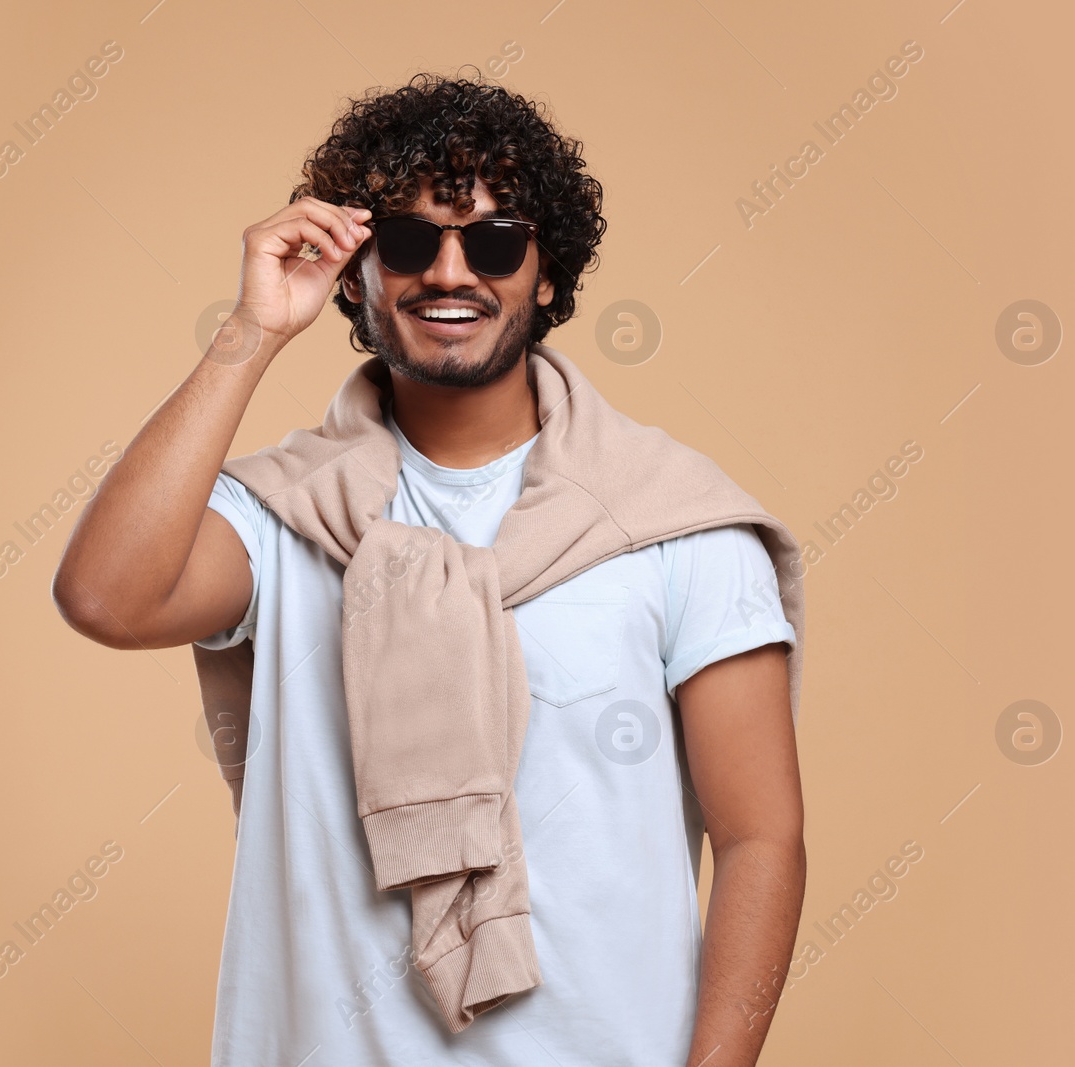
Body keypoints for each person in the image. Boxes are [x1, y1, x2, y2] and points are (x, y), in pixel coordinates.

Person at [52, 72, 806, 1067]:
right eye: (408, 241)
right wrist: (254, 329)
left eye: (494, 242)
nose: (450, 271)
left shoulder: (671, 522)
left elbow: (762, 839)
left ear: (546, 274)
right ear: (359, 272)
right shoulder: (282, 516)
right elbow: (106, 594)